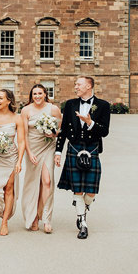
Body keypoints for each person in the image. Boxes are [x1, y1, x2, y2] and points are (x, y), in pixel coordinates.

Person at [55, 76, 111, 239]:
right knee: (77, 189)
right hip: (73, 148)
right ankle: (82, 222)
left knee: (91, 191)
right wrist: (58, 152)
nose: (76, 87)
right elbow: (64, 130)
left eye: (78, 84)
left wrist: (90, 122)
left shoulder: (103, 105)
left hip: (92, 149)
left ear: (88, 86)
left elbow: (105, 131)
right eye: (75, 84)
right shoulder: (70, 104)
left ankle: (83, 206)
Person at [0, 89, 26, 236]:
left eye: (1, 98)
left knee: (9, 188)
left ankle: (5, 221)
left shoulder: (17, 118)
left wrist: (19, 161)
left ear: (9, 101)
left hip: (10, 157)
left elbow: (21, 141)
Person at [20, 84, 62, 233]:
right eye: (34, 94)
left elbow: (60, 130)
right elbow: (24, 134)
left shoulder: (53, 109)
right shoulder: (26, 110)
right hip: (33, 148)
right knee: (33, 183)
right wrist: (29, 153)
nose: (37, 96)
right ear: (31, 95)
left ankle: (46, 217)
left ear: (45, 94)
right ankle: (33, 216)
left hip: (48, 147)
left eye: (40, 93)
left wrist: (54, 134)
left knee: (47, 181)